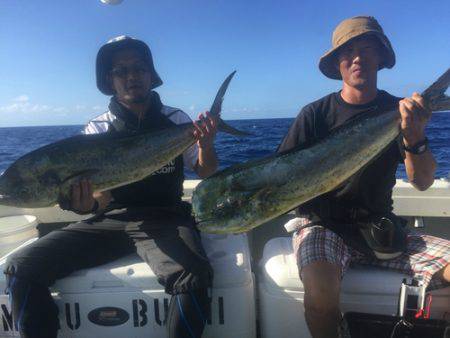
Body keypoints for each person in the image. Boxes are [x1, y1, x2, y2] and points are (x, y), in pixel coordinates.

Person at [4, 35, 218, 338]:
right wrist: (86, 205)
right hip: (110, 220)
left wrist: (206, 144)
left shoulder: (176, 119)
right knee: (20, 267)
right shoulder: (97, 128)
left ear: (150, 74)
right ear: (110, 80)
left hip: (166, 218)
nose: (132, 76)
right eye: (121, 71)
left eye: (139, 68)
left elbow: (205, 170)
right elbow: (99, 198)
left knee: (194, 273)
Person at [277, 16, 450, 338]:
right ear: (337, 63)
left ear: (381, 58)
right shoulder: (314, 114)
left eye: (367, 48)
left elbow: (423, 181)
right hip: (322, 226)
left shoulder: (399, 111)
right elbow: (281, 174)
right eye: (348, 51)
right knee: (318, 301)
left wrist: (414, 136)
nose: (358, 57)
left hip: (379, 226)